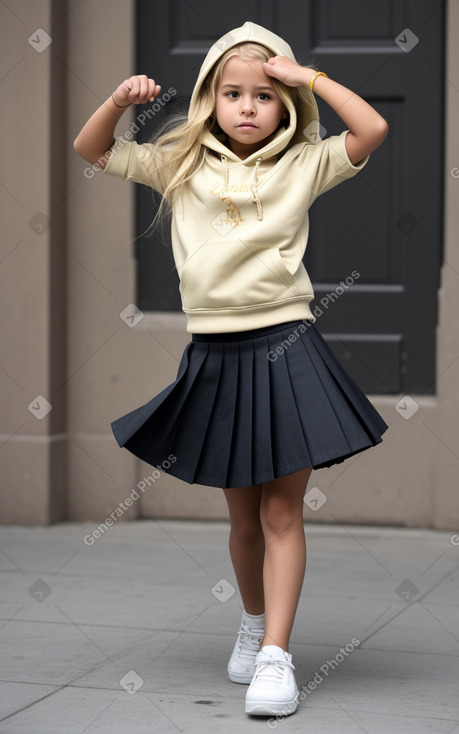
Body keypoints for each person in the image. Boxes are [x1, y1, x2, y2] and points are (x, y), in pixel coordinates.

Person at [74, 21, 389, 718]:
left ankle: (276, 657)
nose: (248, 106)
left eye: (264, 95)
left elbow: (369, 130)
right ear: (209, 99)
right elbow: (91, 148)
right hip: (216, 353)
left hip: (287, 346)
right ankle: (252, 623)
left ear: (286, 105)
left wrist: (307, 77)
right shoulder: (177, 164)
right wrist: (119, 100)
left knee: (282, 511)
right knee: (243, 518)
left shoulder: (303, 161)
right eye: (231, 93)